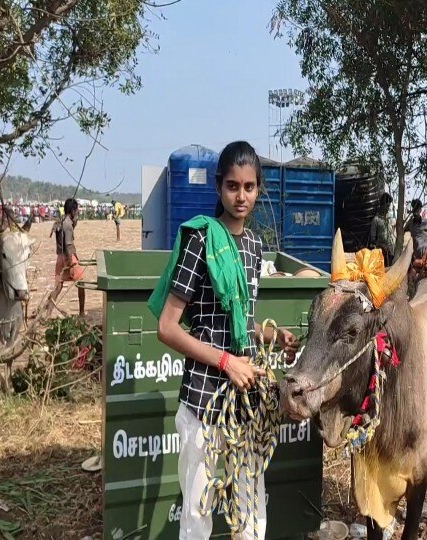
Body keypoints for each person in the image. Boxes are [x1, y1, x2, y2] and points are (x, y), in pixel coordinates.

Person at [151, 141, 300, 540]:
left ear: (258, 188)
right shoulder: (200, 241)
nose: (241, 196)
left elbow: (241, 322)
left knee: (251, 508)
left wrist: (275, 335)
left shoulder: (252, 247)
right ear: (219, 187)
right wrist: (226, 362)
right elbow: (167, 328)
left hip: (244, 402)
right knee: (198, 514)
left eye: (249, 187)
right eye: (233, 186)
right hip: (203, 398)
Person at [51, 198, 86, 317]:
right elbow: (68, 244)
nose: (77, 212)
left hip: (59, 257)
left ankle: (47, 313)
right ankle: (81, 313)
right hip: (68, 256)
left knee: (58, 286)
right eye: (76, 210)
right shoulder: (67, 225)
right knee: (81, 282)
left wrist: (74, 223)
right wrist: (71, 263)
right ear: (72, 210)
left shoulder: (61, 221)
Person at [368, 192, 395, 266]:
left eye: (389, 206)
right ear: (382, 205)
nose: (388, 208)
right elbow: (372, 240)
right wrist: (382, 246)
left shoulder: (389, 218)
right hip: (383, 254)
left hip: (391, 252)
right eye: (387, 206)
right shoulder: (376, 220)